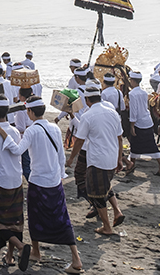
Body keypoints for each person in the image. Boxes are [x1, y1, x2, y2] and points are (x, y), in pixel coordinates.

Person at [0, 95, 84, 272]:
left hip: (38, 181)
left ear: (30, 112)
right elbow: (61, 154)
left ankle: (36, 251)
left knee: (35, 217)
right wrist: (61, 173)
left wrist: (2, 132)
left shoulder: (32, 130)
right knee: (62, 219)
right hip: (55, 180)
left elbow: (17, 150)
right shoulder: (55, 127)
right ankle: (75, 258)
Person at [66, 87, 125, 235]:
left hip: (98, 159)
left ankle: (107, 227)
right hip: (111, 157)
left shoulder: (89, 115)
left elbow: (79, 140)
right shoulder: (113, 113)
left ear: (87, 100)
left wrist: (71, 158)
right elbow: (119, 137)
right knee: (104, 187)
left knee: (96, 193)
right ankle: (116, 213)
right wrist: (119, 158)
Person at [0, 94, 32, 271]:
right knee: (15, 220)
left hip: (1, 180)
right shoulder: (13, 131)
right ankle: (10, 256)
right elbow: (17, 155)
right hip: (16, 178)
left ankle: (20, 247)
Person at [125, 71, 160, 175]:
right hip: (147, 121)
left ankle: (131, 165)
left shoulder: (132, 94)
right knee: (152, 145)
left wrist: (132, 125)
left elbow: (133, 111)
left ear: (132, 81)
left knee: (135, 145)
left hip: (139, 122)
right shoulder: (144, 93)